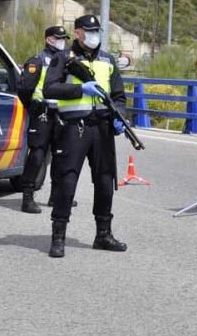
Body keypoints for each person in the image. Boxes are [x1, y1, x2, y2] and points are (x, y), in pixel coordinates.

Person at [42, 14, 128, 258]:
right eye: (88, 31)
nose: (94, 35)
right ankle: (58, 237)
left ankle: (103, 235)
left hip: (102, 128)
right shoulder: (63, 58)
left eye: (96, 31)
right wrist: (81, 88)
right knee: (67, 181)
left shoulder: (107, 60)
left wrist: (119, 116)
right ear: (77, 33)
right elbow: (50, 88)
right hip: (74, 128)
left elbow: (120, 96)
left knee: (105, 182)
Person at [17, 25, 69, 214]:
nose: (62, 41)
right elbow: (24, 88)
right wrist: (32, 107)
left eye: (64, 38)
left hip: (60, 113)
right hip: (42, 112)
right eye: (59, 38)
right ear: (49, 39)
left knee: (61, 154)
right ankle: (27, 197)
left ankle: (56, 196)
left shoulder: (66, 60)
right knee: (37, 154)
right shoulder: (38, 60)